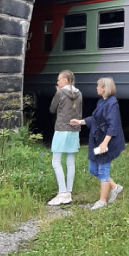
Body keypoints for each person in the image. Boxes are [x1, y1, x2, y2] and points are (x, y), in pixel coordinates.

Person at [71, 76, 125, 210]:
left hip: (107, 142)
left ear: (104, 88)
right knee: (93, 169)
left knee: (103, 171)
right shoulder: (101, 102)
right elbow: (95, 119)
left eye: (98, 86)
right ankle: (115, 187)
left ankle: (102, 201)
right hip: (97, 140)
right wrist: (80, 122)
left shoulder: (112, 104)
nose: (96, 88)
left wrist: (105, 143)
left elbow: (113, 126)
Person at [48, 70, 83, 206]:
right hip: (74, 130)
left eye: (59, 79)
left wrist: (57, 93)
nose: (57, 82)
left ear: (66, 80)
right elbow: (79, 113)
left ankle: (62, 193)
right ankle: (68, 192)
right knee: (70, 162)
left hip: (61, 129)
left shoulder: (60, 93)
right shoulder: (79, 93)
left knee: (56, 161)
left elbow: (52, 109)